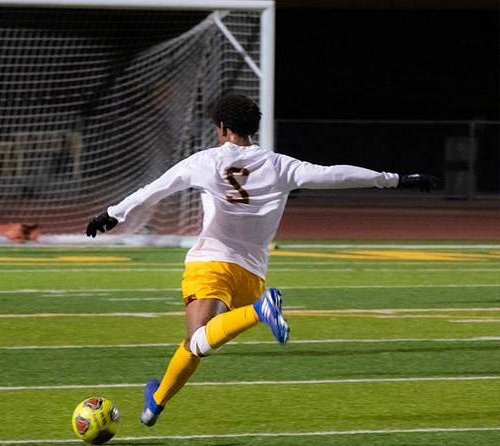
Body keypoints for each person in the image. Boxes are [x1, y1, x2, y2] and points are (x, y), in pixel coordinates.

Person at [85, 94, 439, 427]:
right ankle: (154, 406)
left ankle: (259, 312)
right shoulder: (279, 165)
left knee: (196, 343)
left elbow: (155, 189)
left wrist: (112, 214)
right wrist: (396, 180)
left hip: (212, 262)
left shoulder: (205, 161)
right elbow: (335, 174)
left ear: (222, 126)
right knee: (198, 344)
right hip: (253, 275)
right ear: (252, 127)